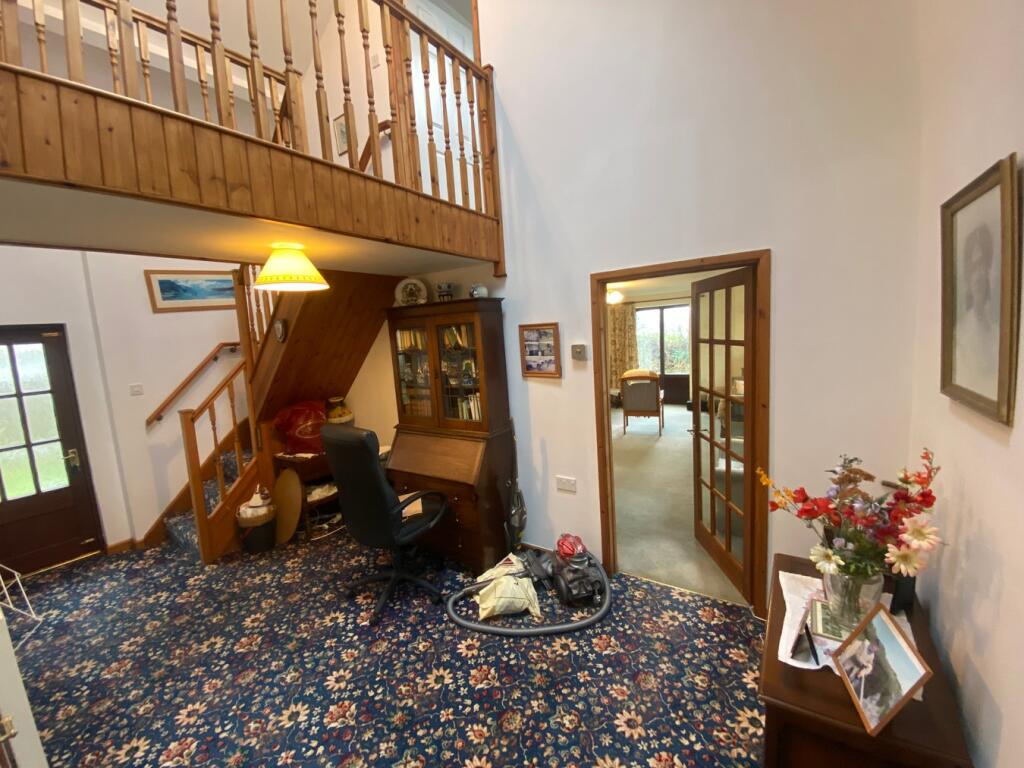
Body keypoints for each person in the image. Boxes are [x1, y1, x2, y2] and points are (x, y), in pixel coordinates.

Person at [955, 223, 999, 398]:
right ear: (967, 276)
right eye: (974, 268)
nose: (979, 275)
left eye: (983, 266)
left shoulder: (997, 332)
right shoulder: (959, 336)